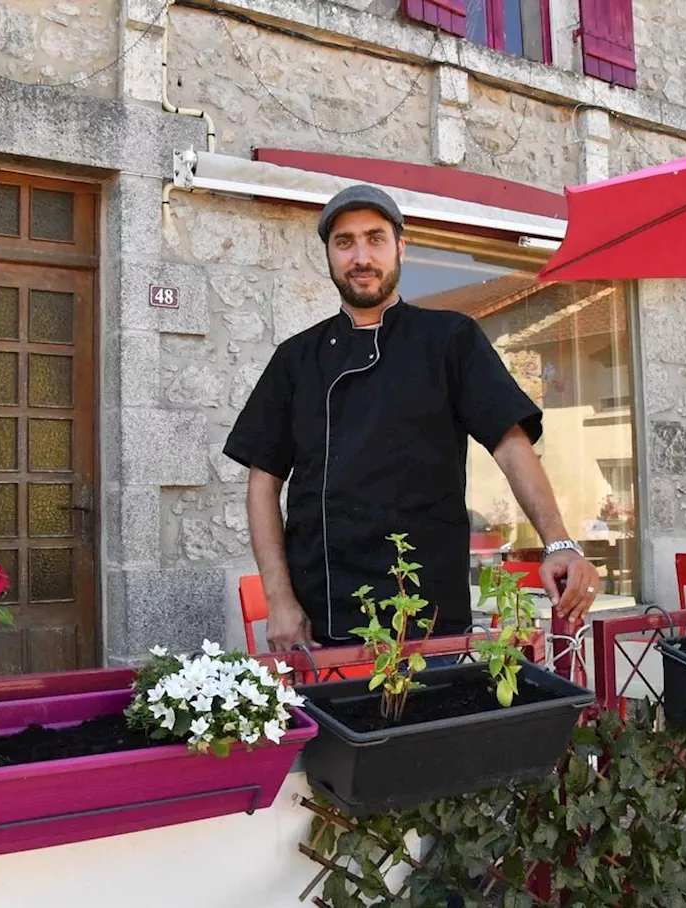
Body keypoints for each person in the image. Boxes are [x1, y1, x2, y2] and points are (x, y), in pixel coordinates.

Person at [223, 184, 601, 652]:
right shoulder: (296, 359)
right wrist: (279, 600)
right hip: (321, 617)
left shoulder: (449, 339)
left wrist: (558, 543)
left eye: (375, 238)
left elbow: (510, 442)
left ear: (401, 247)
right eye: (345, 242)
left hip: (429, 616)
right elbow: (263, 482)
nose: (361, 255)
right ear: (329, 255)